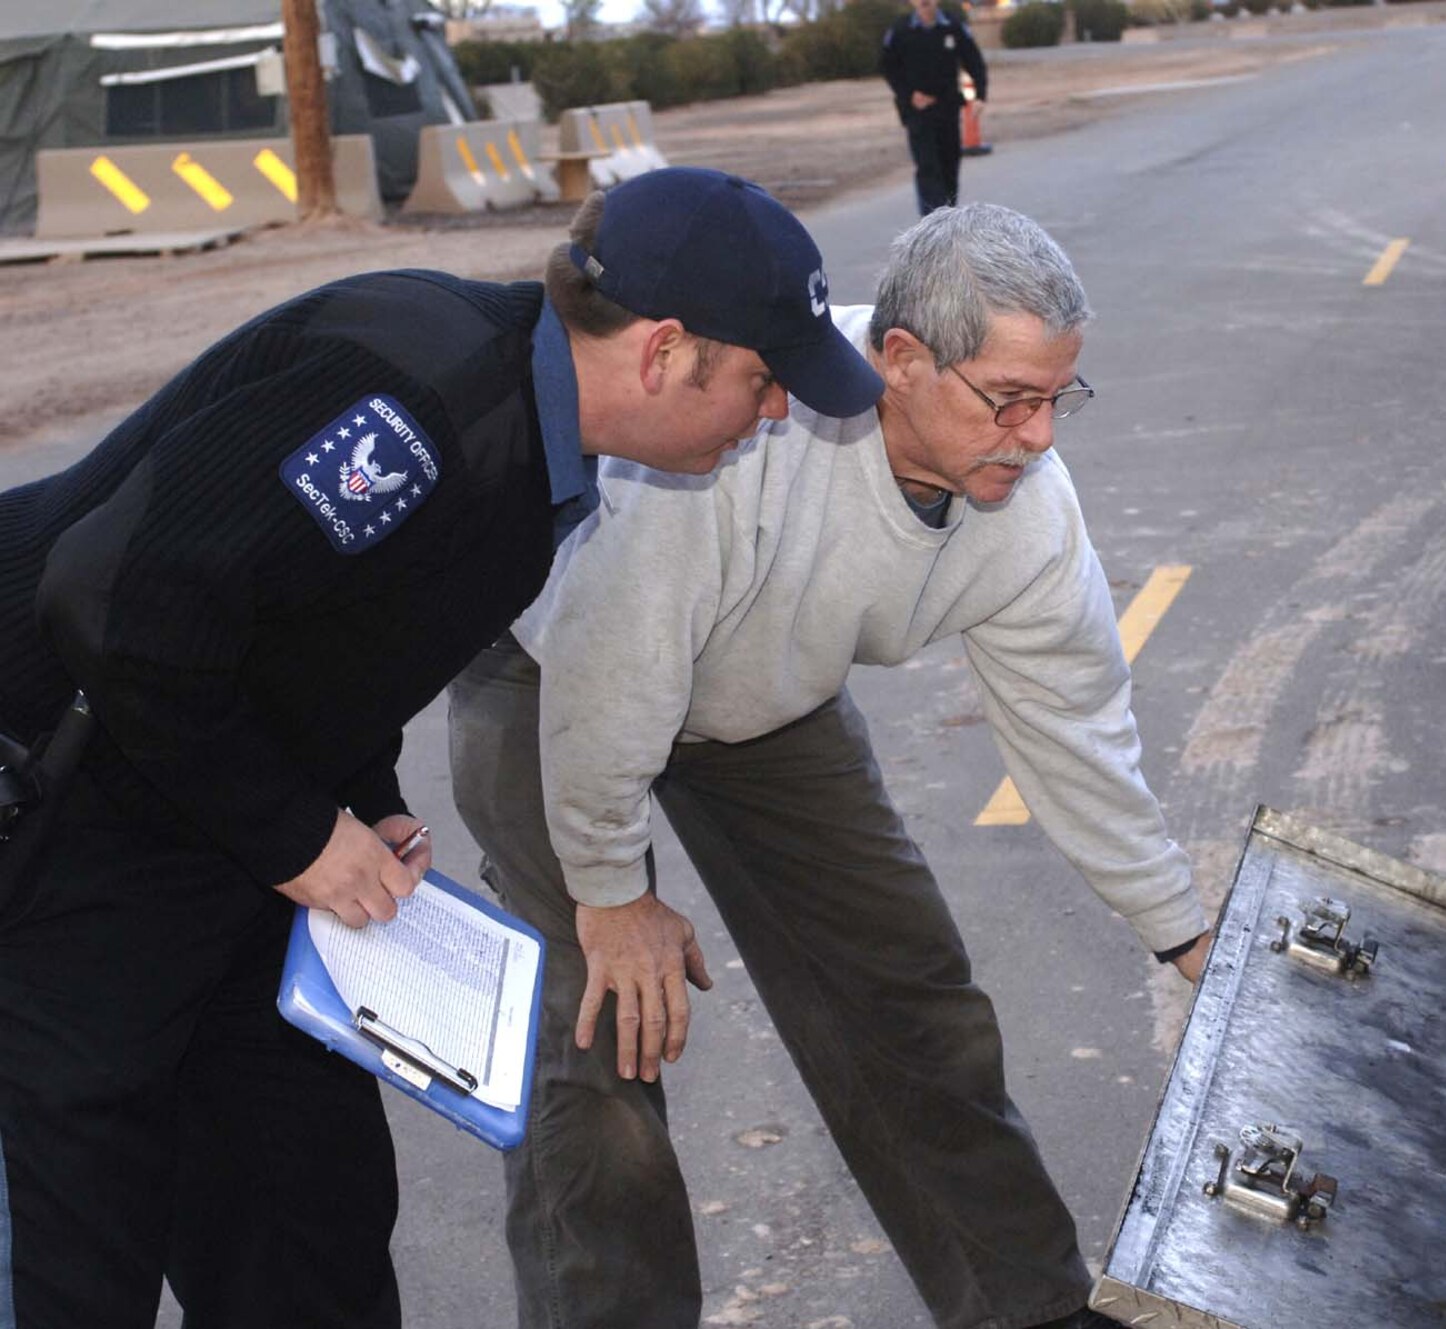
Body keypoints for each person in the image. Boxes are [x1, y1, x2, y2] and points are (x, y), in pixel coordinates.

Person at [0, 166, 881, 1329]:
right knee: (77, 1256)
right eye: (765, 381)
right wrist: (299, 833)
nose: (775, 415)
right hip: (63, 824)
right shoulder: (418, 408)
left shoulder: (531, 453)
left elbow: (301, 627)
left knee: (308, 1227)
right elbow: (116, 602)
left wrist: (356, 803)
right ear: (664, 352)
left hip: (215, 837)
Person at [448, 202, 1212, 1329]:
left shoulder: (1025, 511)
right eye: (1010, 399)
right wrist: (612, 895)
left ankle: (1026, 1310)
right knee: (596, 1041)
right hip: (556, 674)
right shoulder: (746, 421)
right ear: (899, 360)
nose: (1040, 435)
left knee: (911, 999)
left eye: (1059, 398)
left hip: (764, 698)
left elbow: (1074, 724)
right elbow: (617, 664)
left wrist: (1181, 929)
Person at [881, 0, 988, 215]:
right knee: (927, 167)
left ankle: (948, 219)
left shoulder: (952, 26)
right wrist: (909, 95)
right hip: (917, 112)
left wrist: (980, 95)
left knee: (949, 164)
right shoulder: (901, 30)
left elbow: (973, 60)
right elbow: (888, 67)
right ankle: (932, 224)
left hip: (947, 108)